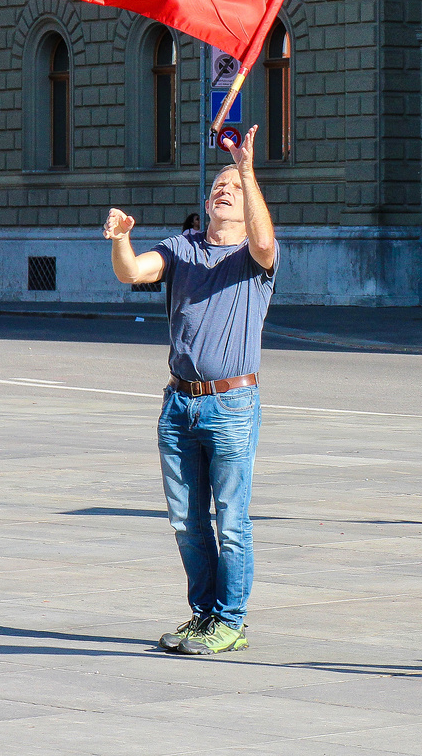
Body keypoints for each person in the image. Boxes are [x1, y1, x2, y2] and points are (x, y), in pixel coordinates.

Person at [103, 125, 278, 655]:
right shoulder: (181, 248)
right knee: (185, 519)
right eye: (217, 186)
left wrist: (245, 168)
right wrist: (120, 238)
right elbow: (131, 272)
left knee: (232, 518)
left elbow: (266, 240)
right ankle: (202, 616)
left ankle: (231, 621)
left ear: (247, 201)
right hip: (179, 402)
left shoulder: (255, 257)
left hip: (231, 403)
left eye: (233, 187)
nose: (223, 191)